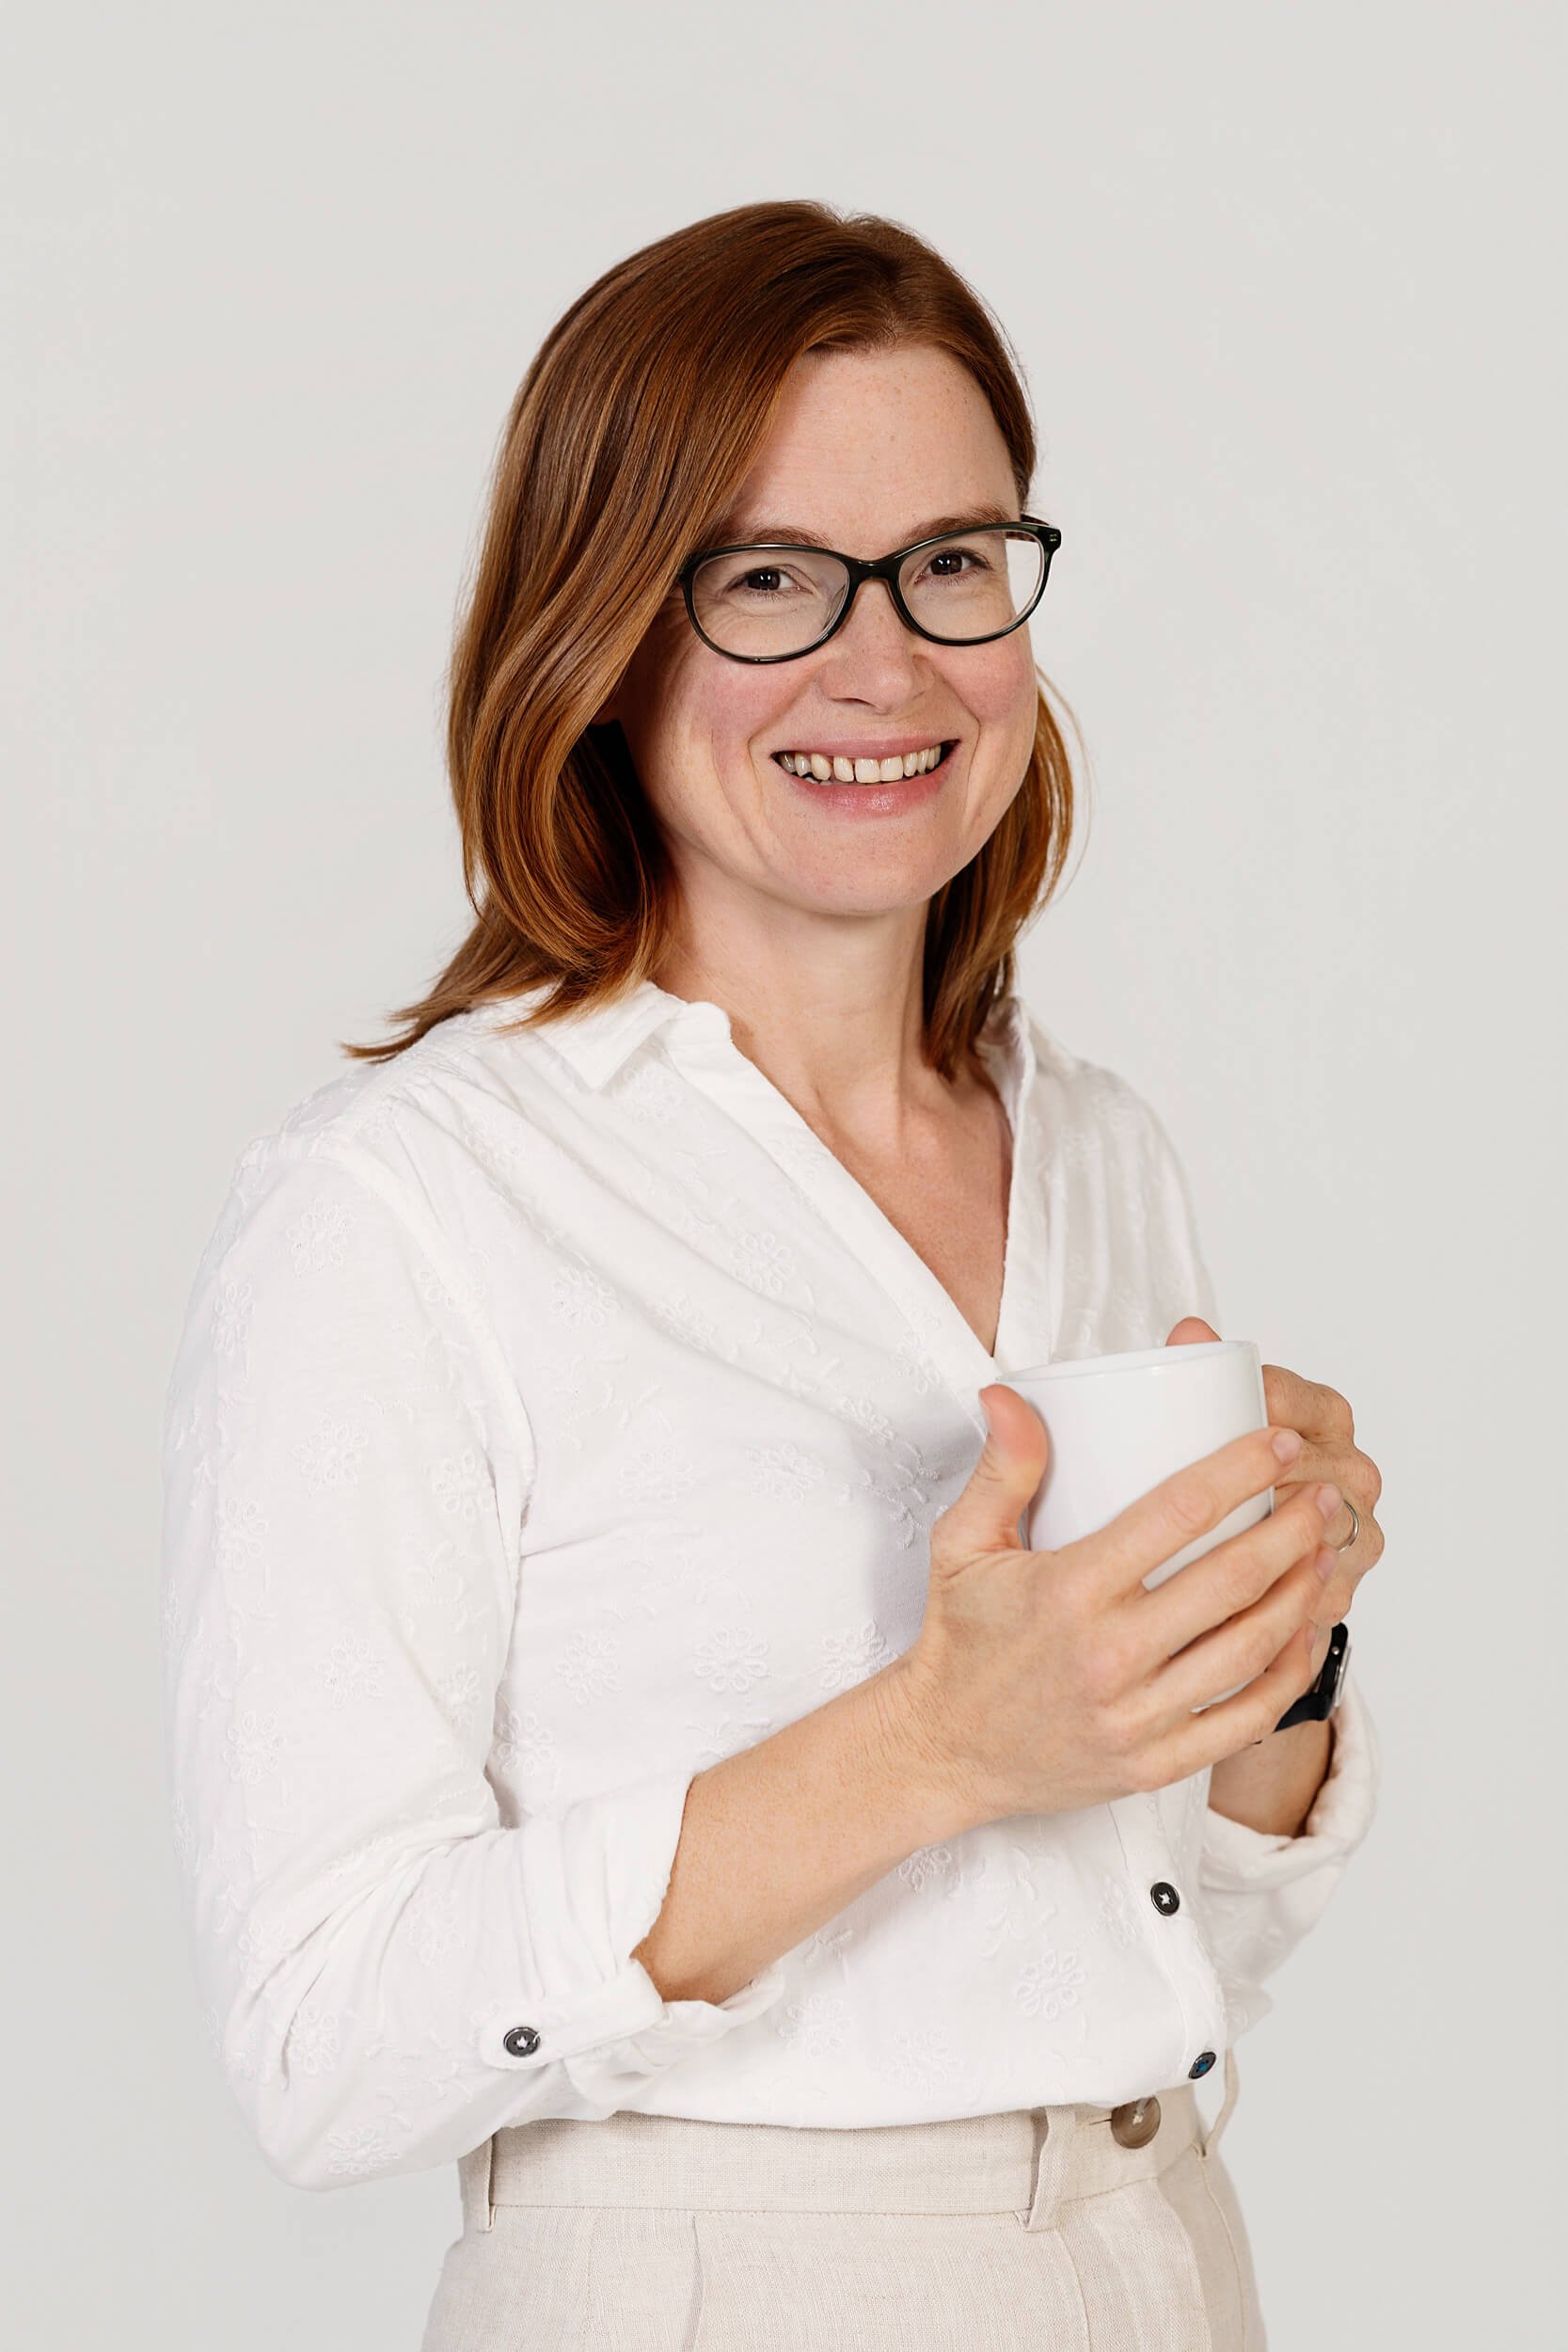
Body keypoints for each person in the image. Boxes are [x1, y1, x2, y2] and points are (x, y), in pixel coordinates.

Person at [159, 199, 1383, 2350]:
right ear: (603, 631)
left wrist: (1272, 1659)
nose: (883, 659)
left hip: (1159, 2242)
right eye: (767, 580)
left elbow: (1157, 1925)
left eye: (953, 562)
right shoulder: (407, 1206)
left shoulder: (1096, 1149)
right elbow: (324, 2033)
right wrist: (933, 1739)